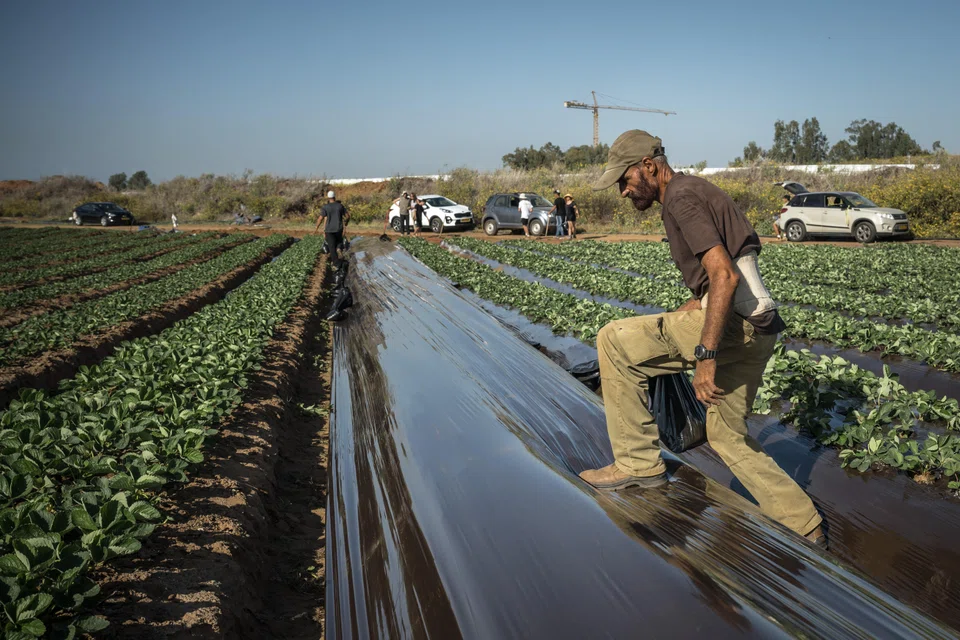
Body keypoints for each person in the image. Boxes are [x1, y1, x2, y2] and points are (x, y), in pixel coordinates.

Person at [580, 129, 826, 548]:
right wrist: (691, 310)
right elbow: (730, 275)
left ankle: (638, 464)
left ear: (649, 166)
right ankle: (804, 525)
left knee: (614, 340)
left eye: (624, 180)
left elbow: (724, 276)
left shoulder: (679, 196)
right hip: (761, 324)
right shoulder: (699, 189)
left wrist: (705, 355)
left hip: (733, 326)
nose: (622, 191)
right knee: (726, 434)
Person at [315, 190, 349, 262]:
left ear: (328, 198)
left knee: (331, 247)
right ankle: (339, 248)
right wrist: (346, 223)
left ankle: (336, 263)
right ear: (334, 197)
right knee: (339, 241)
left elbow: (320, 218)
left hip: (329, 230)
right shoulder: (340, 206)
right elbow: (348, 216)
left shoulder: (325, 207)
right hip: (338, 228)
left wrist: (317, 227)